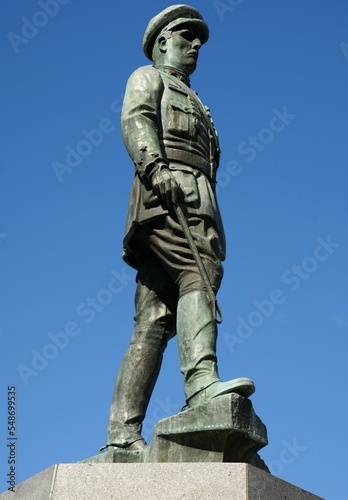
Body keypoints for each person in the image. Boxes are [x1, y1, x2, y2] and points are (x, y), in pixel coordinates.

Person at [106, 5, 255, 451]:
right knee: (199, 277)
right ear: (162, 42)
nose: (195, 46)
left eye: (199, 41)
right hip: (165, 194)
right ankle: (202, 384)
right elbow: (137, 119)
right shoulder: (148, 78)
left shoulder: (199, 104)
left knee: (153, 319)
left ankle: (121, 434)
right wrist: (155, 167)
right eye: (186, 37)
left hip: (197, 199)